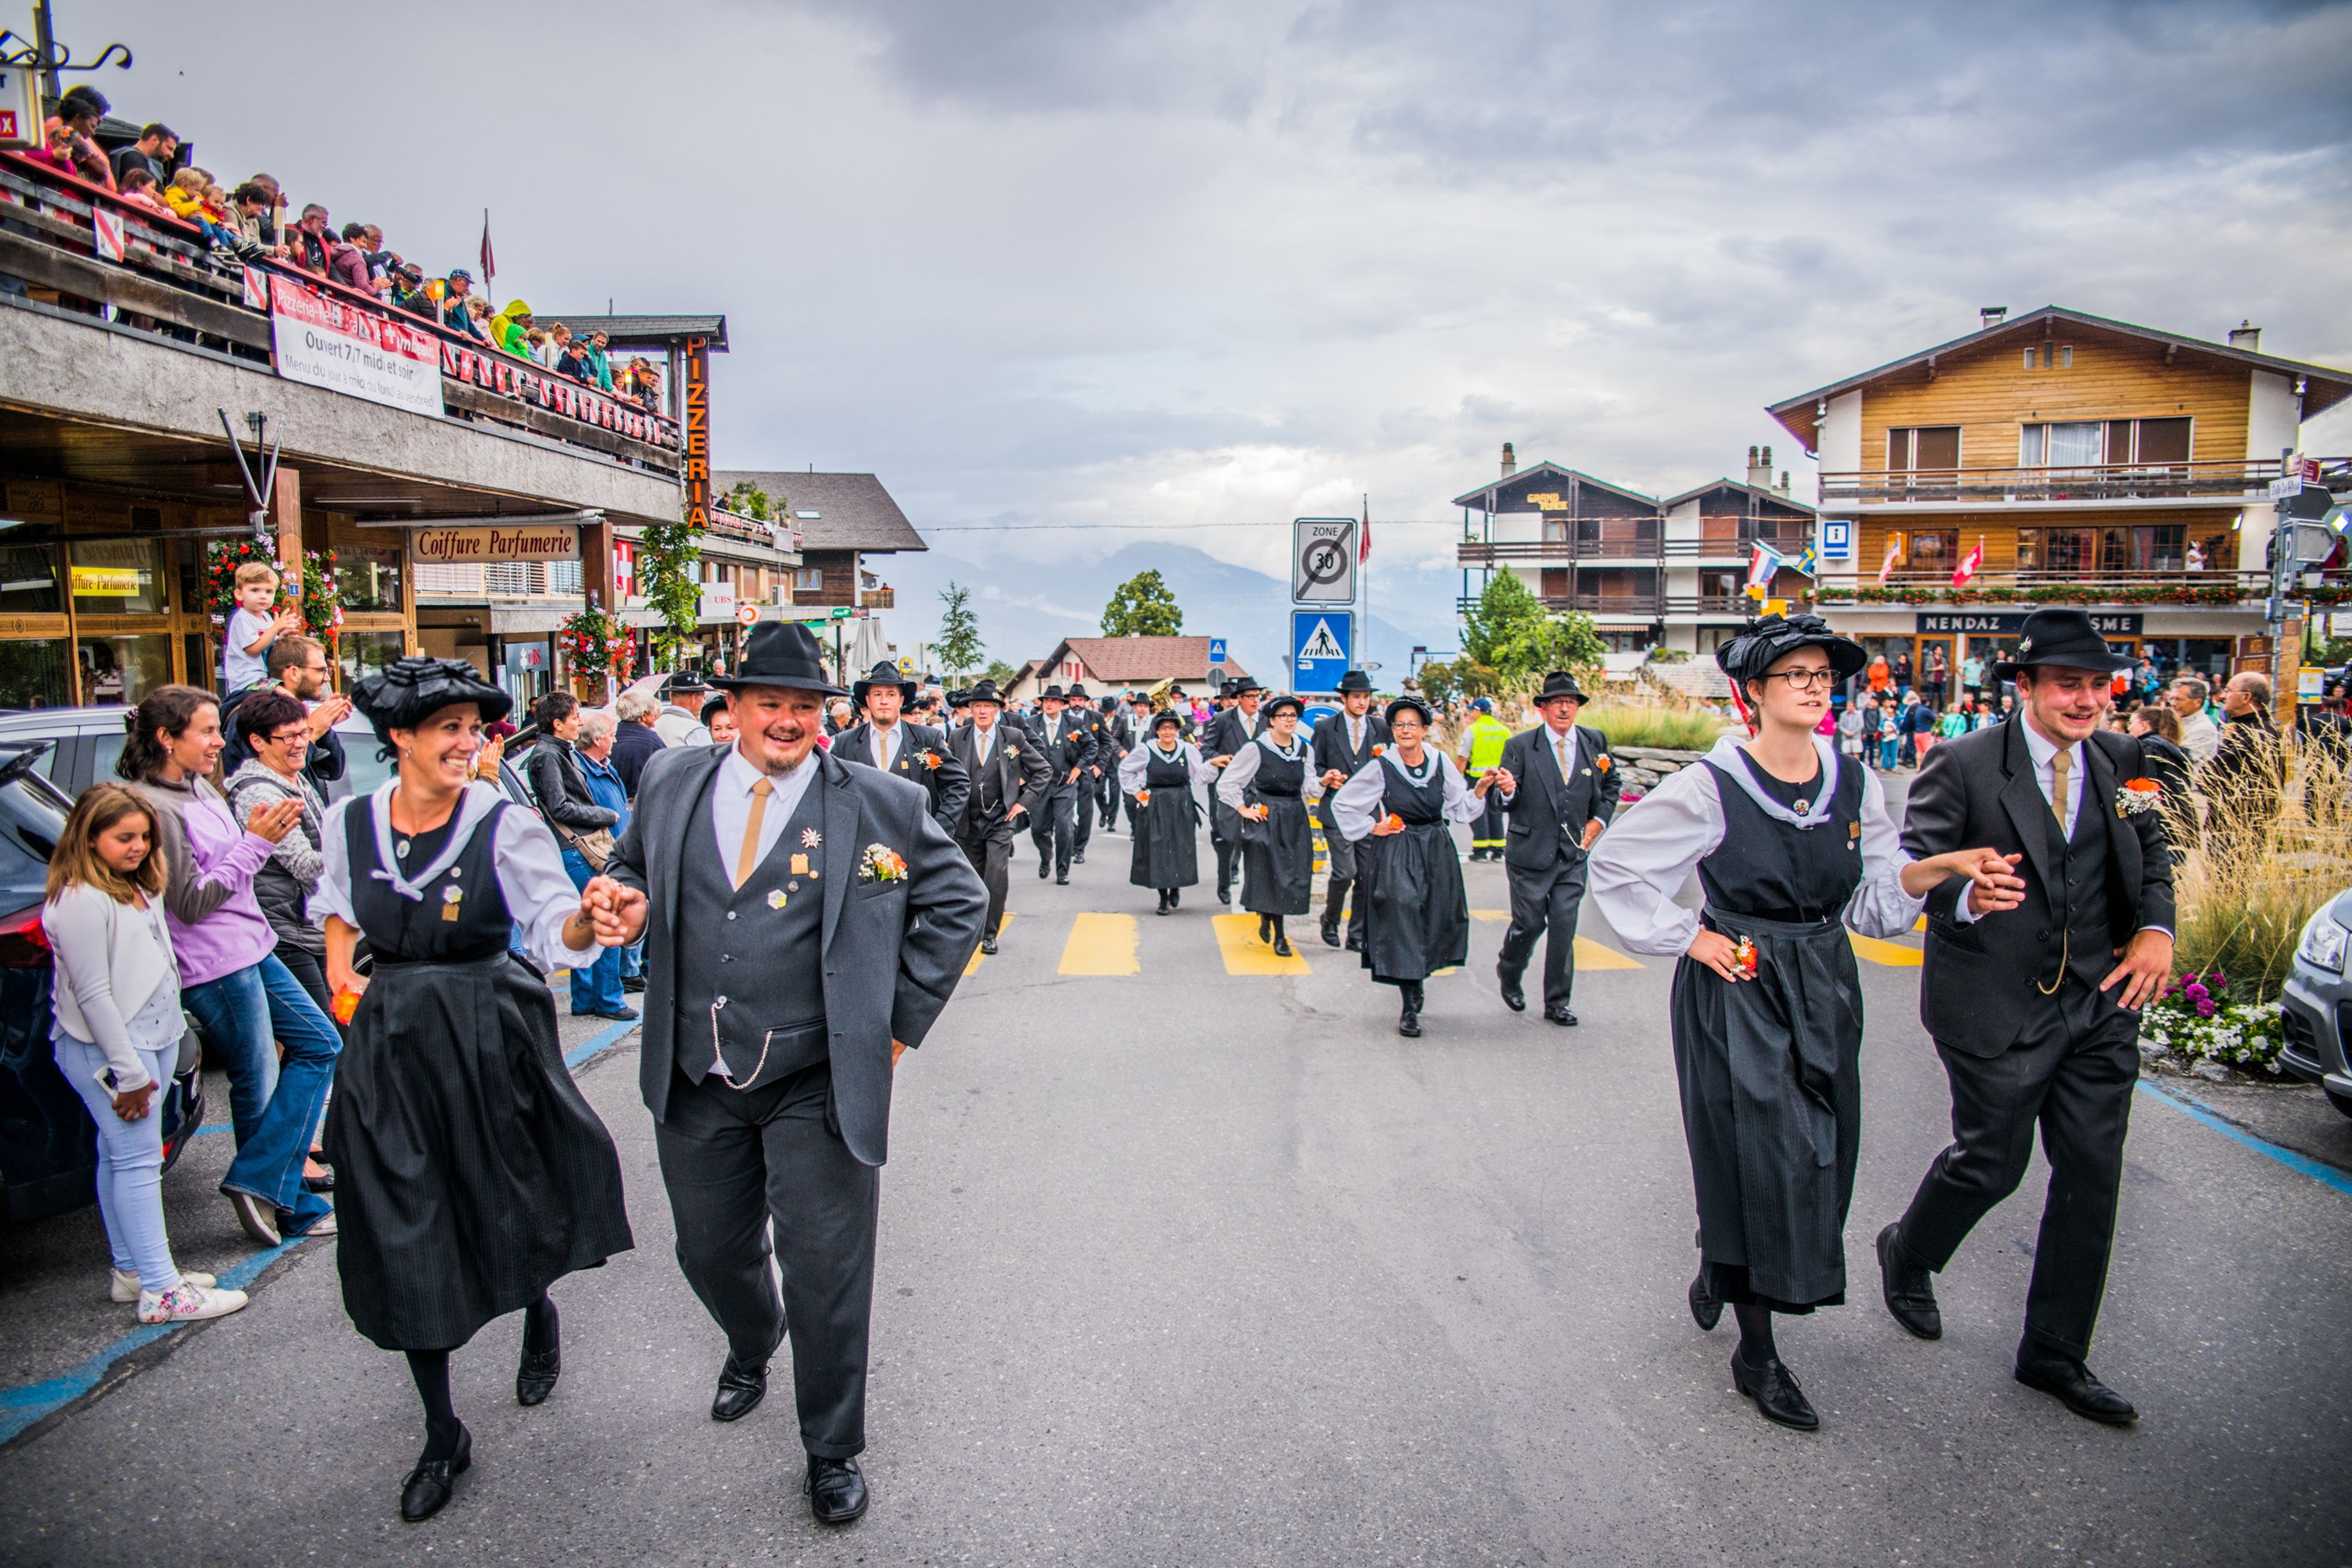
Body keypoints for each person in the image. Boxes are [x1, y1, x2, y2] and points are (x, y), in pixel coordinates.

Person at [581, 620, 988, 1527]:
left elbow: (959, 902)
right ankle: (752, 1337)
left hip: (819, 1077)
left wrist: (895, 1027)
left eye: (806, 706)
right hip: (696, 1067)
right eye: (772, 702)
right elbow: (628, 866)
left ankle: (832, 1448)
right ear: (732, 709)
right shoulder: (670, 780)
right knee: (711, 1252)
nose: (790, 720)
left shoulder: (878, 803)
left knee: (827, 1273)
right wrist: (617, 897)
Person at [1589, 613, 2004, 1431]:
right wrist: (1694, 937)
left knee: (1822, 1151)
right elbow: (1618, 864)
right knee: (1766, 1154)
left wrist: (1944, 873)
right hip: (1741, 978)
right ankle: (1758, 1349)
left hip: (1824, 981)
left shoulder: (1851, 781)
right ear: (1755, 692)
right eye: (1797, 675)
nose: (1817, 687)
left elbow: (1876, 904)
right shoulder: (1714, 783)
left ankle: (1721, 1257)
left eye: (1825, 676)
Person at [316, 657, 632, 1521]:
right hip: (393, 1043)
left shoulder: (499, 820)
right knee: (401, 1218)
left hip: (489, 1021)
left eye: (474, 727)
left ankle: (537, 1304)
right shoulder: (351, 822)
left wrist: (589, 917)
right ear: (401, 739)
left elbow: (550, 924)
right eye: (449, 728)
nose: (469, 742)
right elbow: (338, 907)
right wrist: (347, 975)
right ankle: (440, 1430)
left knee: (507, 1190)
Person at [1877, 607, 2175, 1428]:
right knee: (1992, 1164)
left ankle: (2054, 1352)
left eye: (2097, 686)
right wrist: (1968, 892)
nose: (2086, 701)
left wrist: (2155, 931)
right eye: (2068, 685)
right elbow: (1915, 868)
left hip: (2100, 1002)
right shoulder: (1965, 764)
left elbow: (2153, 859)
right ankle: (1909, 1249)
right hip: (1994, 1003)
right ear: (2028, 688)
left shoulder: (2129, 761)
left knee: (2091, 1175)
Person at [123, 686, 341, 1246]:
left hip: (255, 945)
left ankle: (262, 1181)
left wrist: (251, 847)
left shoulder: (200, 786)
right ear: (167, 739)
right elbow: (189, 901)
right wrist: (256, 844)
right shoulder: (155, 806)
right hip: (214, 963)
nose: (219, 742)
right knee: (257, 1075)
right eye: (207, 732)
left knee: (320, 1044)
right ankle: (281, 1200)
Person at [44, 784, 247, 1325]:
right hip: (113, 1051)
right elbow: (93, 996)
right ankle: (162, 1290)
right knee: (137, 1162)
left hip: (150, 1036)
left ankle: (133, 1270)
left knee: (122, 1158)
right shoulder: (81, 901)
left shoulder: (136, 884)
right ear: (89, 839)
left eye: (144, 837)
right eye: (123, 838)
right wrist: (129, 1072)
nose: (137, 847)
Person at [1330, 696, 1501, 1038]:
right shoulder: (1382, 765)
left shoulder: (1439, 761)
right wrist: (1372, 827)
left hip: (1436, 845)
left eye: (1413, 725)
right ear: (1392, 731)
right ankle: (1409, 1001)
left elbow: (1460, 808)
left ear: (1425, 729)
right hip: (1398, 845)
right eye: (1399, 725)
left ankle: (1418, 976)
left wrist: (1480, 789)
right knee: (1403, 910)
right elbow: (1344, 804)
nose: (1406, 730)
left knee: (1433, 915)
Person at [1493, 671, 1618, 1026]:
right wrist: (1506, 790)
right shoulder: (1520, 745)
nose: (1565, 708)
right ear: (1543, 709)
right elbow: (1505, 798)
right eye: (1557, 702)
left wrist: (1599, 822)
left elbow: (1612, 785)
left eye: (1571, 702)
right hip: (1530, 854)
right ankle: (1510, 967)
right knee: (1529, 924)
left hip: (1573, 854)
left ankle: (1557, 1002)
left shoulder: (1595, 742)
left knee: (1564, 927)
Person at [223, 692, 335, 1022]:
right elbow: (304, 865)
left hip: (308, 925)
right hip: (285, 931)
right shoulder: (261, 793)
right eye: (289, 737)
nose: (300, 744)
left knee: (329, 1040)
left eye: (304, 734)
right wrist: (357, 847)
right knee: (322, 1041)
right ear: (257, 741)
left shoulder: (294, 778)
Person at [528, 693, 632, 1022]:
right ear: (558, 724)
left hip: (575, 847)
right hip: (576, 848)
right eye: (575, 716)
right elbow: (560, 806)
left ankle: (587, 998)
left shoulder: (557, 752)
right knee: (605, 918)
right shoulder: (548, 756)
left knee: (588, 920)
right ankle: (608, 999)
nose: (581, 722)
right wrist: (605, 814)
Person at [949, 679, 1049, 954]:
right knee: (971, 877)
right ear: (970, 709)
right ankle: (972, 929)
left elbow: (1043, 770)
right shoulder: (958, 737)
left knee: (996, 873)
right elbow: (945, 775)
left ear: (997, 710)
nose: (982, 711)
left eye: (989, 706)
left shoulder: (1012, 737)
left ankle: (990, 933)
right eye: (977, 706)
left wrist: (1023, 803)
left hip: (1001, 819)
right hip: (967, 820)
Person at [1217, 694, 1321, 955]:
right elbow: (1228, 783)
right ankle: (1280, 936)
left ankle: (1266, 915)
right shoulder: (1257, 748)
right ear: (1271, 721)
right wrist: (1243, 809)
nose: (1289, 720)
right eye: (1283, 716)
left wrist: (1325, 782)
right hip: (1267, 815)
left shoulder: (1304, 749)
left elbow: (1310, 788)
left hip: (1295, 816)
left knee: (1293, 873)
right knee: (1273, 873)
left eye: (1293, 716)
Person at [832, 660, 970, 837]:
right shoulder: (845, 742)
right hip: (863, 842)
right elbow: (831, 789)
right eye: (877, 695)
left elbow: (959, 783)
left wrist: (939, 827)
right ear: (868, 700)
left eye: (891, 694)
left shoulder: (927, 739)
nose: (884, 701)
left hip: (916, 843)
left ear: (901, 700)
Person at [1311, 671, 1390, 950]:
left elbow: (1389, 767)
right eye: (1357, 697)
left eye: (1366, 697)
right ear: (1344, 698)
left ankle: (1357, 934)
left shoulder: (1381, 728)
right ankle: (1330, 919)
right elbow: (1316, 766)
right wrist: (1328, 776)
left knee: (1367, 876)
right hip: (1337, 811)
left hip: (1369, 813)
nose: (1362, 702)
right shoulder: (1325, 728)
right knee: (1345, 872)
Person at [220, 634, 353, 788]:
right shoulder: (252, 715)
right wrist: (312, 732)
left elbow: (333, 770)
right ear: (294, 673)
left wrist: (324, 727)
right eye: (321, 670)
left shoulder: (296, 711)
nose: (327, 678)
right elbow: (273, 780)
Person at [1121, 709, 1215, 914]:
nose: (1167, 732)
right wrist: (1138, 794)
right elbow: (1125, 769)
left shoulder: (1187, 750)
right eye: (1163, 728)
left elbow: (1199, 776)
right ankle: (1163, 897)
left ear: (1177, 730)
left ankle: (1176, 887)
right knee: (1159, 849)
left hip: (1181, 802)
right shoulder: (1146, 750)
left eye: (1171, 728)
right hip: (1155, 803)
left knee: (1180, 846)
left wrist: (1213, 766)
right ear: (1157, 731)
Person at [1201, 679, 1267, 903]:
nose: (1256, 701)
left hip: (1258, 790)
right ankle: (1225, 881)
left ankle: (1245, 880)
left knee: (1253, 839)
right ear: (1239, 698)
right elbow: (1207, 749)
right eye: (1251, 696)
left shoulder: (1268, 721)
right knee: (1227, 837)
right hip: (1228, 788)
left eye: (1258, 696)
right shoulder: (1221, 720)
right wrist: (1215, 759)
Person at [2205, 671, 2283, 852]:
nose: (2224, 695)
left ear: (2246, 697)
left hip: (2239, 830)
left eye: (2229, 690)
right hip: (2233, 826)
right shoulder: (2248, 728)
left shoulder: (2258, 733)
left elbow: (2216, 774)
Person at [1026, 686, 1096, 885]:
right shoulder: (1030, 723)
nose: (1049, 703)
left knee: (1065, 827)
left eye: (1054, 701)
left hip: (1065, 783)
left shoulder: (1074, 723)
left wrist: (1079, 768)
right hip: (1039, 785)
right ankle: (1045, 855)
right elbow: (1019, 748)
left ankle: (1062, 870)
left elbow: (1091, 746)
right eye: (1046, 700)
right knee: (1039, 827)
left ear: (1062, 704)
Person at [222, 562, 296, 696]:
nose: (263, 596)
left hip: (263, 677)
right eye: (255, 590)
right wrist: (275, 628)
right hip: (247, 679)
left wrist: (282, 636)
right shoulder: (242, 618)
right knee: (285, 695)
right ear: (239, 595)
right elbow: (252, 649)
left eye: (269, 591)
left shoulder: (266, 618)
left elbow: (268, 647)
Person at [1458, 697, 1513, 861]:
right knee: (1496, 812)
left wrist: (1456, 779)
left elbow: (1462, 758)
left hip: (1477, 778)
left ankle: (1480, 851)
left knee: (1478, 812)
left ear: (1478, 711)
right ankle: (1498, 850)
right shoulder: (1504, 730)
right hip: (1499, 777)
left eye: (1472, 711)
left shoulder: (1473, 730)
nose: (1470, 714)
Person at [611, 689, 669, 796]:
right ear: (644, 715)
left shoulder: (612, 738)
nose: (655, 714)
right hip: (645, 803)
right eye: (653, 709)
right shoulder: (651, 741)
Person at [2168, 677, 2220, 764]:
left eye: (2179, 699)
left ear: (2198, 702)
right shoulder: (2173, 721)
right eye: (2171, 699)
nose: (2173, 704)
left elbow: (2180, 758)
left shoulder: (2205, 729)